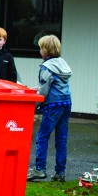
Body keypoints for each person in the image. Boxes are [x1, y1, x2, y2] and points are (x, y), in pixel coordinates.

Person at [27, 34, 72, 182]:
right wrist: (38, 88)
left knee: (42, 137)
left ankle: (39, 169)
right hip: (66, 104)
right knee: (61, 139)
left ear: (46, 50)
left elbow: (45, 90)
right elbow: (52, 84)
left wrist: (36, 105)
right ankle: (60, 173)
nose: (39, 50)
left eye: (41, 48)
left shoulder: (46, 67)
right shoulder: (62, 63)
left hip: (53, 106)